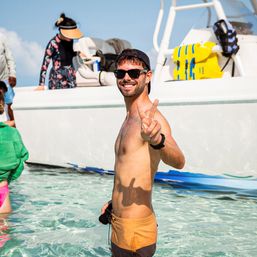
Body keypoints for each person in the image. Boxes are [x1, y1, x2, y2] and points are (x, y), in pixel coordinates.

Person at [100, 49, 185, 257]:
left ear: (148, 76)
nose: (126, 78)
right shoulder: (129, 117)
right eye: (120, 73)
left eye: (134, 73)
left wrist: (158, 140)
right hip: (118, 224)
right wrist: (114, 203)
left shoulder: (153, 119)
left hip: (137, 229)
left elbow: (179, 160)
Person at [36, 13, 83, 90]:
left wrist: (78, 53)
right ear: (62, 31)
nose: (71, 38)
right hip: (57, 80)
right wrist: (41, 84)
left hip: (71, 77)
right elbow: (45, 65)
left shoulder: (70, 41)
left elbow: (69, 53)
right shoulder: (53, 43)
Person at [0, 90, 29, 214]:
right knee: (4, 231)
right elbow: (21, 159)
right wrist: (6, 177)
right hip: (2, 190)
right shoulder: (11, 133)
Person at [0, 33, 16, 123]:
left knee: (11, 103)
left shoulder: (2, 37)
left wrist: (12, 74)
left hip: (5, 78)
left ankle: (14, 125)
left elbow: (10, 58)